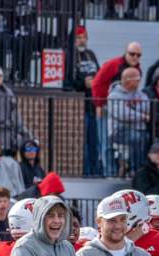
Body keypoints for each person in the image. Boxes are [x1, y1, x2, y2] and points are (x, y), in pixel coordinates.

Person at [92, 42, 142, 177]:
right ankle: (110, 172)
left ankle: (129, 170)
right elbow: (96, 83)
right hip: (106, 109)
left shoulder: (137, 70)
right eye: (132, 54)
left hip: (125, 113)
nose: (135, 57)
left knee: (135, 139)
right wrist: (99, 104)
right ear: (126, 53)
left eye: (138, 55)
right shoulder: (113, 65)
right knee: (105, 142)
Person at [66, 26, 100, 176]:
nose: (81, 40)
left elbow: (99, 74)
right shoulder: (69, 56)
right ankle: (85, 172)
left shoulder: (91, 54)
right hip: (79, 106)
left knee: (94, 143)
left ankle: (94, 171)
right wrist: (82, 83)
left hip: (93, 104)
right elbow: (67, 81)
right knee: (83, 144)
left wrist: (95, 82)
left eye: (83, 37)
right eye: (78, 38)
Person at [107, 67, 150, 176]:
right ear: (128, 80)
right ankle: (135, 170)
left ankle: (133, 166)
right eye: (137, 79)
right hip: (118, 131)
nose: (140, 82)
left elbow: (147, 106)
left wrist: (131, 108)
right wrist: (141, 116)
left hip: (138, 129)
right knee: (137, 138)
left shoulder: (139, 94)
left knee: (149, 139)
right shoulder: (114, 95)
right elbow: (122, 114)